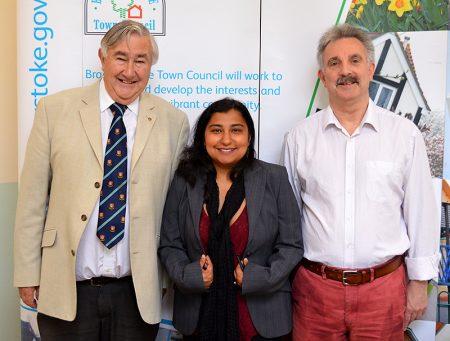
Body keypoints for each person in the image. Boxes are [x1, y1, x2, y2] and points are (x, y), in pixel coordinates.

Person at [14, 20, 189, 340]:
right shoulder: (54, 110)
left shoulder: (174, 122)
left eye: (141, 60)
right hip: (66, 290)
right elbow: (32, 201)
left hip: (136, 295)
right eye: (121, 57)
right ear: (103, 57)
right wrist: (27, 274)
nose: (130, 70)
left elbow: (174, 212)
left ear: (151, 65)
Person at [283, 24, 440, 340]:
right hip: (315, 292)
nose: (345, 71)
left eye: (354, 61)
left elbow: (421, 212)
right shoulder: (300, 138)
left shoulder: (404, 135)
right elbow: (288, 217)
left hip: (383, 291)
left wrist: (420, 283)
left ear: (370, 70)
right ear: (322, 77)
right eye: (334, 63)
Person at [158, 98, 303, 341]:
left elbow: (291, 245)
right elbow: (169, 244)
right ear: (203, 138)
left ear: (249, 137)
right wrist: (191, 275)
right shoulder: (185, 180)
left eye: (236, 130)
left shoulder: (274, 178)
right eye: (216, 130)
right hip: (199, 319)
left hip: (262, 320)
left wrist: (259, 277)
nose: (226, 139)